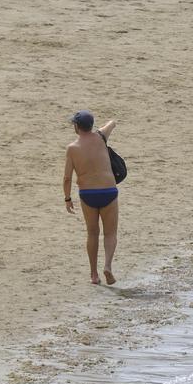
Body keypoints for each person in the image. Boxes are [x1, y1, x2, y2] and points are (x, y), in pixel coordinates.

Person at [63, 110, 120, 285]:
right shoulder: (101, 137)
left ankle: (94, 275)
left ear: (76, 127)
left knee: (92, 233)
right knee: (110, 233)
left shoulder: (72, 148)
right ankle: (108, 266)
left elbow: (67, 178)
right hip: (108, 191)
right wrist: (106, 126)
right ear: (91, 125)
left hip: (88, 194)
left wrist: (67, 198)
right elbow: (112, 122)